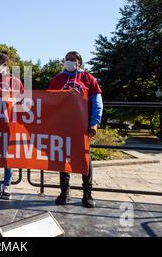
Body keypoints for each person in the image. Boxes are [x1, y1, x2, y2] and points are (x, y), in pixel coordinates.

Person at [48, 51, 103, 208]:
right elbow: (50, 101)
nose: (70, 62)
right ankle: (64, 193)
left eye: (73, 59)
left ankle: (87, 194)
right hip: (63, 126)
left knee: (85, 159)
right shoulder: (57, 79)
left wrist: (94, 122)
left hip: (82, 126)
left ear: (79, 62)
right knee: (63, 159)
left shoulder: (88, 78)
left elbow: (97, 101)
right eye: (67, 59)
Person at [0, 51, 24, 200]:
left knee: (8, 156)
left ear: (5, 65)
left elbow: (21, 101)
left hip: (10, 123)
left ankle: (7, 185)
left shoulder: (15, 81)